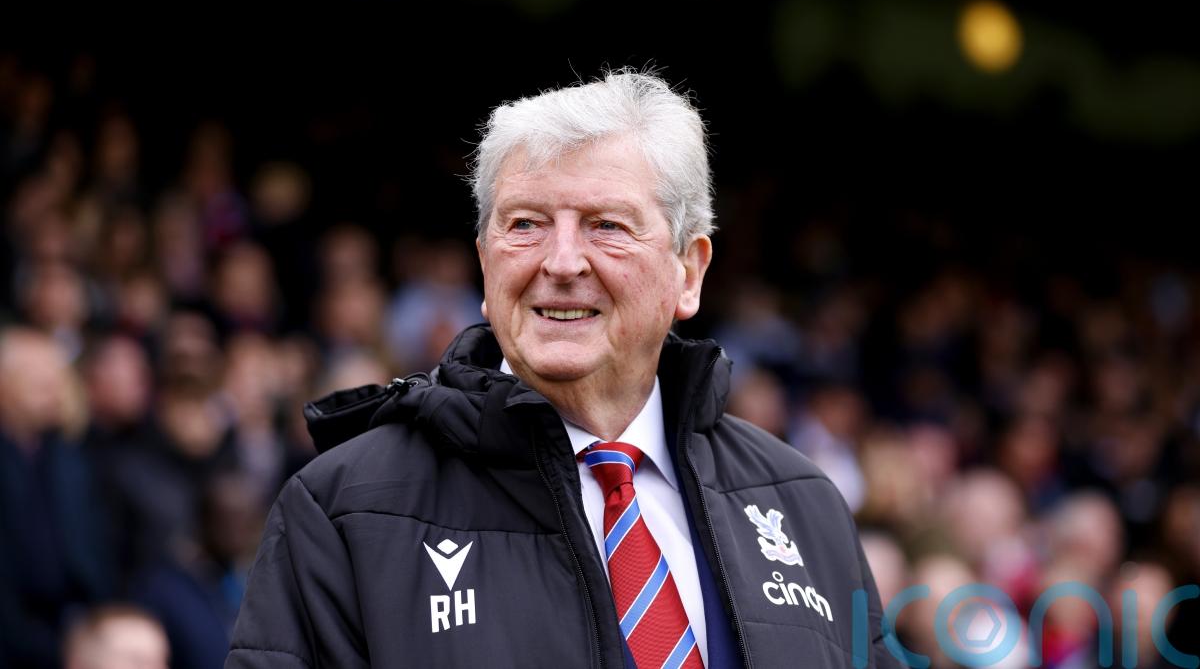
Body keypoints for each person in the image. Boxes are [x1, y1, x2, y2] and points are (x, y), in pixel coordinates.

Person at [227, 69, 895, 668]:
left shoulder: (804, 506)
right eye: (526, 224)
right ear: (485, 264)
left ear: (688, 272)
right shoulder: (343, 511)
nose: (562, 262)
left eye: (606, 225)